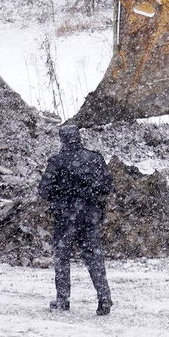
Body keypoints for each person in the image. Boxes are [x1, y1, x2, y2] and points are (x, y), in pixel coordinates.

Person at [37, 125, 114, 315]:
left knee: (62, 258)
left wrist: (62, 195)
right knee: (94, 257)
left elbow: (44, 190)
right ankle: (104, 297)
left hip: (65, 218)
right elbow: (107, 185)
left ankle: (63, 300)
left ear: (62, 140)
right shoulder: (95, 158)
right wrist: (88, 195)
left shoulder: (57, 161)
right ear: (78, 138)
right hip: (90, 216)